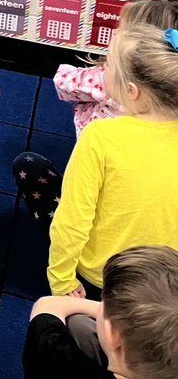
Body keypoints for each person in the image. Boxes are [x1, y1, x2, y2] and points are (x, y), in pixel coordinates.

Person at [13, 25, 178, 297]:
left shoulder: (101, 136)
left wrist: (62, 279)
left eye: (107, 64)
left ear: (131, 90)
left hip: (99, 278)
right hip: (162, 287)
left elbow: (73, 219)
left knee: (28, 165)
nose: (100, 70)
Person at [23, 245, 178, 378]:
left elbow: (46, 306)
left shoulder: (59, 361)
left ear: (113, 334)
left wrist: (110, 310)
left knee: (76, 321)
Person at [52, 0, 178, 137]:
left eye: (121, 27)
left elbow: (63, 82)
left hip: (98, 140)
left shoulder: (111, 77)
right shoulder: (170, 84)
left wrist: (104, 68)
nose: (116, 31)